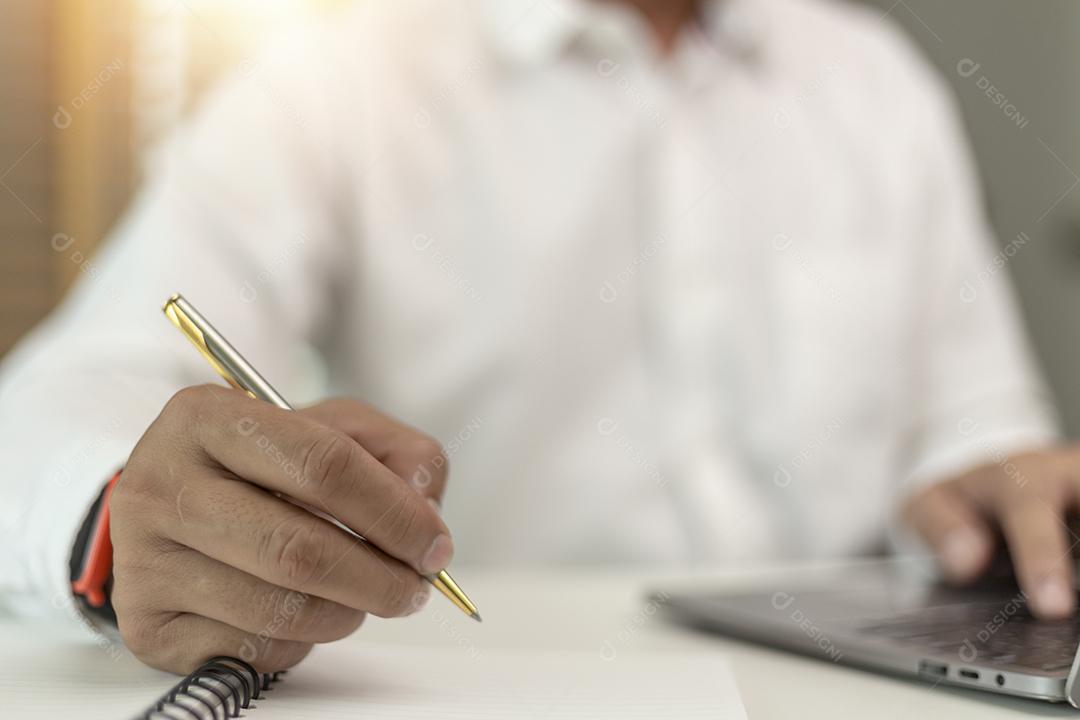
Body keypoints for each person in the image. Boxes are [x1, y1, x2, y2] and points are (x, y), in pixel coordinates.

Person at [0, 0, 1069, 675]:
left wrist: (1000, 500)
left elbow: (975, 440)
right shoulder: (339, 75)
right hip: (495, 685)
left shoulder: (877, 83)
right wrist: (116, 520)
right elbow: (62, 397)